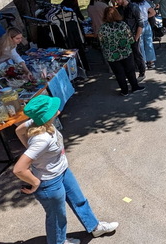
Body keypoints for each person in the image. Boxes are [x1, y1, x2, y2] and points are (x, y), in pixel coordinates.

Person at [13, 94, 119, 244]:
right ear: (45, 116)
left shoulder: (35, 122)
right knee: (57, 217)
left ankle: (95, 227)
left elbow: (18, 131)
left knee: (79, 200)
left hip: (62, 172)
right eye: (53, 109)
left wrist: (32, 150)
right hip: (49, 183)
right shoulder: (41, 139)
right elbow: (19, 169)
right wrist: (35, 183)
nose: (57, 110)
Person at [98, 7, 144, 95]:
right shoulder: (123, 25)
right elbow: (131, 39)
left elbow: (101, 42)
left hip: (111, 55)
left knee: (119, 73)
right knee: (130, 70)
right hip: (125, 52)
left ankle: (124, 90)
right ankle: (134, 86)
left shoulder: (103, 28)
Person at [111, 0, 146, 81]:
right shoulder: (118, 9)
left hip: (133, 35)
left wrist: (136, 37)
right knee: (126, 56)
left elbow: (140, 23)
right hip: (123, 37)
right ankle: (129, 73)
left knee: (136, 54)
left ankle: (142, 72)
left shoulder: (133, 7)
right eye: (115, 0)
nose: (117, 2)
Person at [128, 0, 156, 70]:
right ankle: (151, 61)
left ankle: (143, 62)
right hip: (146, 23)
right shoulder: (145, 3)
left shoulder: (133, 5)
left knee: (141, 45)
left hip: (138, 26)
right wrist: (146, 17)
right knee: (149, 43)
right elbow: (153, 12)